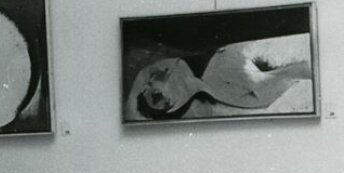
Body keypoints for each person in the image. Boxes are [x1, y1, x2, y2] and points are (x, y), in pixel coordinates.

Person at [125, 34, 313, 121]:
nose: (165, 101)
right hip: (210, 83)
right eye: (165, 106)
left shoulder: (162, 70)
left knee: (260, 81)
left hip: (215, 62)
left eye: (156, 97)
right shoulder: (205, 90)